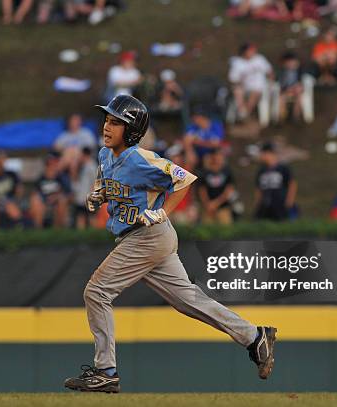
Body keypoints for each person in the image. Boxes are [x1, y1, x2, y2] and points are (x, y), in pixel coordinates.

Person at [63, 94, 277, 393]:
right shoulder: (104, 154)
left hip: (146, 236)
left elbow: (184, 179)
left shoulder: (140, 158)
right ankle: (255, 337)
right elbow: (108, 180)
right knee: (187, 300)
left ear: (133, 130)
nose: (107, 126)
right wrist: (100, 194)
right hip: (146, 239)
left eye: (116, 122)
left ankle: (105, 371)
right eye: (107, 120)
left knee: (97, 292)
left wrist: (162, 210)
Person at [228, 43, 273, 120]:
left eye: (253, 51)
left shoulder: (260, 59)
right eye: (251, 51)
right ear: (244, 52)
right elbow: (233, 79)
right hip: (244, 87)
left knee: (255, 93)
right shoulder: (237, 62)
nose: (253, 52)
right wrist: (240, 84)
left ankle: (245, 114)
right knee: (237, 90)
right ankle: (242, 112)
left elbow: (269, 72)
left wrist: (271, 83)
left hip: (259, 87)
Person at [254, 142, 297, 221]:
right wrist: (258, 203)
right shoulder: (262, 171)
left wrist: (290, 201)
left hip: (280, 203)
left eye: (262, 153)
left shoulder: (283, 168)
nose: (261, 156)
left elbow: (292, 184)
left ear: (268, 153)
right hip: (266, 205)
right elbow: (258, 189)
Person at [29, 153, 71, 228]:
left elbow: (69, 194)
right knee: (35, 201)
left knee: (62, 201)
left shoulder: (61, 178)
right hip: (43, 202)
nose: (52, 167)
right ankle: (38, 229)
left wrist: (56, 197)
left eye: (54, 164)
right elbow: (35, 193)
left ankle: (58, 230)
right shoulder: (40, 179)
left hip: (57, 201)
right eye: (49, 164)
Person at [197, 149, 236, 225]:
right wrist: (208, 204)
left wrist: (216, 203)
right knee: (207, 229)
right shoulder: (204, 172)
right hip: (207, 207)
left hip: (224, 207)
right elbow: (202, 190)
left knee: (226, 230)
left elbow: (229, 190)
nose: (217, 158)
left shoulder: (227, 171)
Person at [53, 113, 97, 179]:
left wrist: (74, 150)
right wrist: (68, 150)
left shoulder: (86, 133)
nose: (75, 122)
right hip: (70, 159)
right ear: (69, 122)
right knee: (72, 161)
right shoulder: (65, 135)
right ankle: (74, 183)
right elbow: (56, 147)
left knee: (72, 153)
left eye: (77, 120)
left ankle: (54, 174)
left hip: (84, 157)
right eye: (73, 120)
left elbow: (90, 148)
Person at [71, 147, 98, 229]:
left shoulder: (92, 166)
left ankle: (93, 234)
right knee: (81, 216)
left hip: (88, 197)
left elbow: (94, 182)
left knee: (91, 217)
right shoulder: (83, 166)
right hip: (81, 197)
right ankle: (81, 235)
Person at [277, 51, 304, 121]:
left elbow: (301, 82)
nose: (291, 64)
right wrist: (287, 89)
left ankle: (296, 115)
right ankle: (282, 116)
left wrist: (296, 87)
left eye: (293, 62)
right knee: (281, 99)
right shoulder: (282, 72)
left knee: (299, 94)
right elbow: (281, 84)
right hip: (285, 92)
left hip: (296, 91)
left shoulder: (299, 71)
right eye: (289, 62)